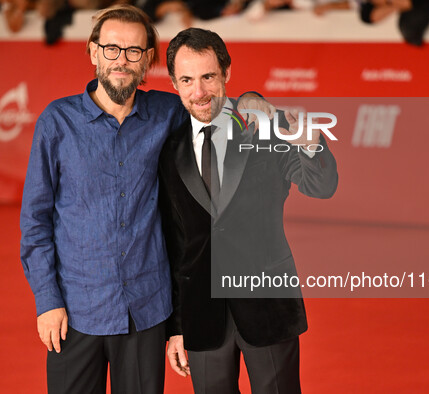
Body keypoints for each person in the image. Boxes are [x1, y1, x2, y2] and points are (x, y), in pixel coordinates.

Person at [159, 28, 338, 393]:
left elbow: (321, 187)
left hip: (267, 306)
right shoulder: (168, 146)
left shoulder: (267, 125)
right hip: (202, 316)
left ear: (226, 72)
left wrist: (312, 148)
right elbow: (175, 243)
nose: (199, 92)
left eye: (208, 76)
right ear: (174, 83)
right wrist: (176, 326)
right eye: (187, 80)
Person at [19, 5, 187, 393]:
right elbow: (35, 221)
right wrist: (46, 300)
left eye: (133, 52)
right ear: (94, 52)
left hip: (147, 309)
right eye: (112, 49)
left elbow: (215, 114)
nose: (121, 61)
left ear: (147, 60)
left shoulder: (168, 114)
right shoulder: (56, 122)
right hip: (75, 311)